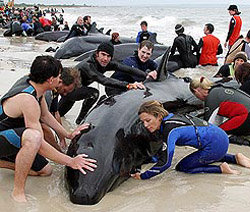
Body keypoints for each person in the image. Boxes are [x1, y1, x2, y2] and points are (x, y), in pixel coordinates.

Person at [0, 56, 97, 202]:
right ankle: (18, 192)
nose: (60, 80)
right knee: (33, 138)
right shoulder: (28, 100)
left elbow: (46, 116)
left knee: (46, 171)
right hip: (4, 137)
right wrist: (70, 161)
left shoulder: (37, 89)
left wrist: (68, 134)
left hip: (10, 137)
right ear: (50, 80)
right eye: (58, 76)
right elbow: (38, 142)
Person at [131, 100, 250, 180]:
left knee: (183, 167)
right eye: (143, 122)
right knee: (203, 155)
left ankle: (221, 169)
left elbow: (166, 163)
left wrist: (143, 176)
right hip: (219, 136)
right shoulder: (171, 118)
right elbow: (162, 150)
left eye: (148, 120)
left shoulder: (169, 130)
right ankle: (235, 158)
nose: (146, 125)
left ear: (158, 116)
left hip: (216, 145)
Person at [58, 42, 149, 124]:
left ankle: (77, 120)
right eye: (103, 54)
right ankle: (81, 120)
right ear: (97, 53)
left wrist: (146, 75)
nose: (105, 59)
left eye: (108, 56)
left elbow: (127, 69)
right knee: (94, 93)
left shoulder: (105, 63)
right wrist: (128, 85)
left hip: (77, 91)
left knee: (59, 115)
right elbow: (104, 80)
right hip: (68, 90)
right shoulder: (88, 65)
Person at [189, 76, 250, 150]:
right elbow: (218, 117)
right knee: (234, 127)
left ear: (197, 90)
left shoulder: (211, 98)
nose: (198, 98)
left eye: (196, 95)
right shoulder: (219, 89)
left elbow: (209, 126)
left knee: (218, 134)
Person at [44, 67, 81, 151]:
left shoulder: (54, 90)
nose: (64, 95)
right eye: (64, 90)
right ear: (60, 81)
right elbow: (43, 127)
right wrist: (58, 151)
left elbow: (56, 113)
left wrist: (62, 138)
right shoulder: (46, 93)